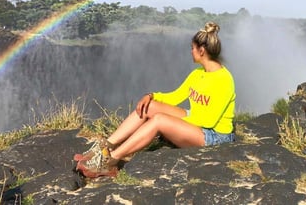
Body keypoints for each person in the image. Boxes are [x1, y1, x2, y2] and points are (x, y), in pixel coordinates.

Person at [75, 21, 236, 178]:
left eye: (192, 48)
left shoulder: (223, 80)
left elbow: (208, 121)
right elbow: (176, 96)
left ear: (202, 51)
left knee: (159, 120)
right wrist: (151, 96)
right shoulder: (198, 73)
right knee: (150, 107)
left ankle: (111, 161)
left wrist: (170, 121)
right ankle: (106, 145)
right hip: (197, 122)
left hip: (215, 137)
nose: (190, 52)